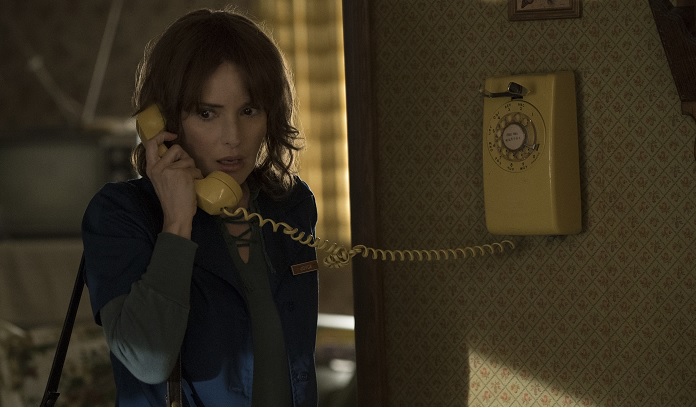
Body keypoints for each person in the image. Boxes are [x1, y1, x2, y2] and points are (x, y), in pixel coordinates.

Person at [81, 8, 319, 406]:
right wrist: (177, 221)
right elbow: (148, 361)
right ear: (164, 121)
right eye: (207, 114)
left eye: (249, 111)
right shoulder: (121, 214)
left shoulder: (290, 204)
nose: (233, 137)